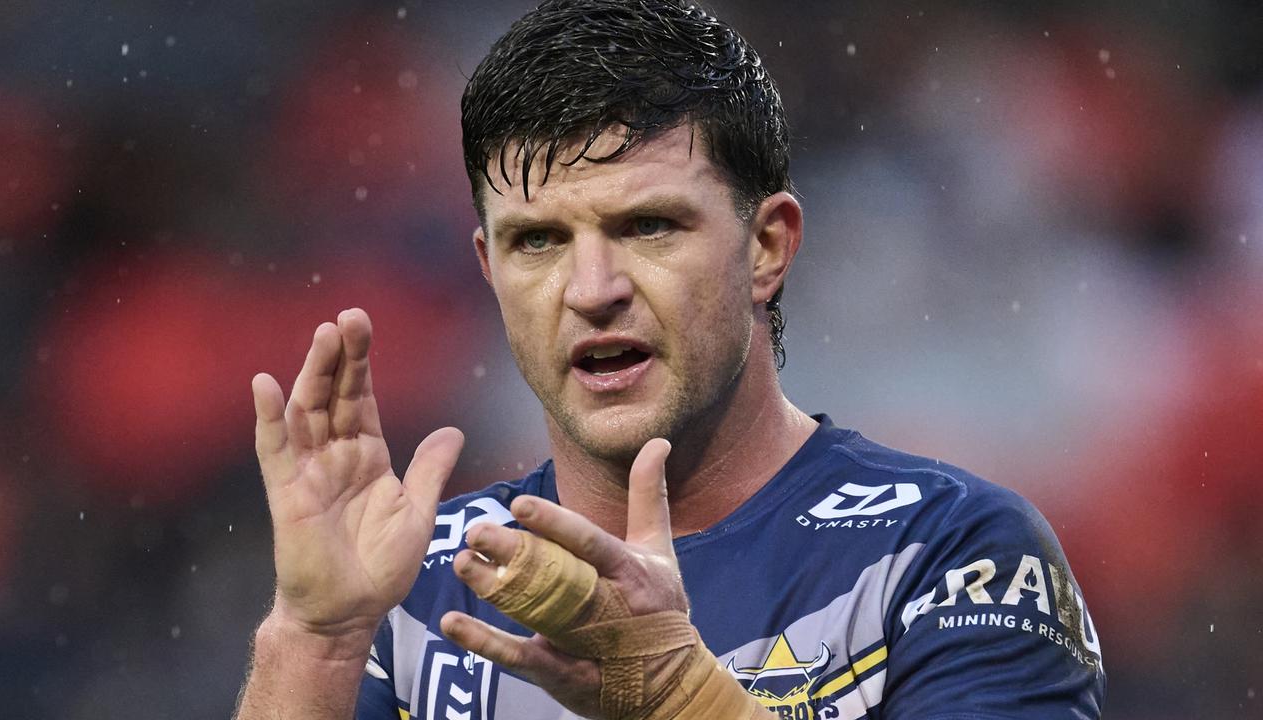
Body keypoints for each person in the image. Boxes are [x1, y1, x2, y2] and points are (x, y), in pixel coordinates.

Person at [234, 1, 1106, 718]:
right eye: (537, 240)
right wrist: (315, 638)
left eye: (648, 225)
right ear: (489, 270)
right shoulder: (421, 591)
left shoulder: (947, 552)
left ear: (767, 246)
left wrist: (682, 700)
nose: (592, 287)